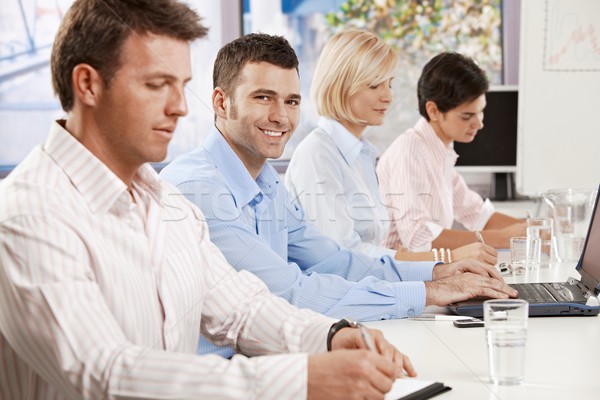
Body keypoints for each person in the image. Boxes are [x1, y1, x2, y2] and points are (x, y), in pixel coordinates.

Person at [0, 1, 416, 398]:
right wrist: (301, 379)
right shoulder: (30, 213)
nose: (180, 107)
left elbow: (241, 309)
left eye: (180, 86)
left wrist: (331, 337)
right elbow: (105, 372)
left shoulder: (167, 204)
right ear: (88, 85)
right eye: (156, 85)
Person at [160, 33, 516, 356]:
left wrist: (439, 271)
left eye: (292, 101)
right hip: (222, 378)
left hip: (269, 360)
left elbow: (335, 260)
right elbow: (288, 293)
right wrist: (427, 292)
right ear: (221, 103)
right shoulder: (198, 187)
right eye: (263, 97)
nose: (281, 116)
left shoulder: (266, 181)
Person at [285, 29, 497, 266]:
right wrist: (446, 259)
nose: (388, 96)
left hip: (373, 287)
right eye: (375, 85)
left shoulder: (361, 155)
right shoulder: (318, 154)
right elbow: (342, 256)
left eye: (390, 84)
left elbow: (374, 249)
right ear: (341, 85)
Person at [377, 52, 525, 252]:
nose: (479, 123)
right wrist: (499, 239)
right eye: (467, 116)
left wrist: (535, 231)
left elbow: (478, 214)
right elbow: (418, 237)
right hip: (400, 275)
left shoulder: (440, 150)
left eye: (481, 111)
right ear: (433, 111)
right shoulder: (410, 149)